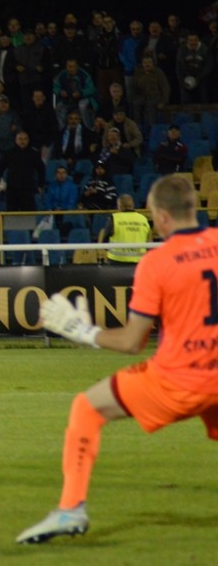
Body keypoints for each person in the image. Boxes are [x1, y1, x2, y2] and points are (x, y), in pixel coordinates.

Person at [17, 174, 218, 544]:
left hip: (178, 380)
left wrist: (83, 331)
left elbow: (131, 342)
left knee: (86, 408)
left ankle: (71, 509)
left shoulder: (157, 263)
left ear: (161, 217)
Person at [97, 193, 151, 264]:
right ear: (133, 205)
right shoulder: (144, 219)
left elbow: (105, 241)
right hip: (139, 262)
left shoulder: (114, 219)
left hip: (116, 261)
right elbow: (149, 241)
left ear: (120, 206)